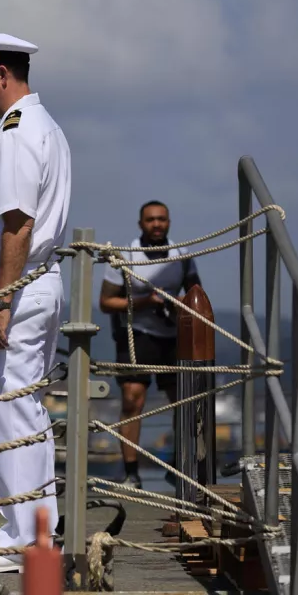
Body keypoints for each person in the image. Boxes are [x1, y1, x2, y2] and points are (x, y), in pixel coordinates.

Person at [0, 31, 70, 573]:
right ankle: (36, 529)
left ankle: (27, 534)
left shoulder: (18, 133)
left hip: (13, 284)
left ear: (1, 72)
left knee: (7, 410)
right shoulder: (42, 127)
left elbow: (17, 224)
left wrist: (1, 302)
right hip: (34, 282)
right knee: (22, 409)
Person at [99, 200, 201, 489]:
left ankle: (179, 465)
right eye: (150, 220)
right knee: (133, 400)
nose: (156, 224)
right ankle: (131, 472)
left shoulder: (183, 256)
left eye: (162, 219)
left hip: (172, 335)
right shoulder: (125, 256)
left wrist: (177, 304)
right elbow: (106, 302)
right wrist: (146, 301)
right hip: (136, 332)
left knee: (183, 400)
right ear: (140, 224)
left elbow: (197, 295)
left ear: (169, 222)